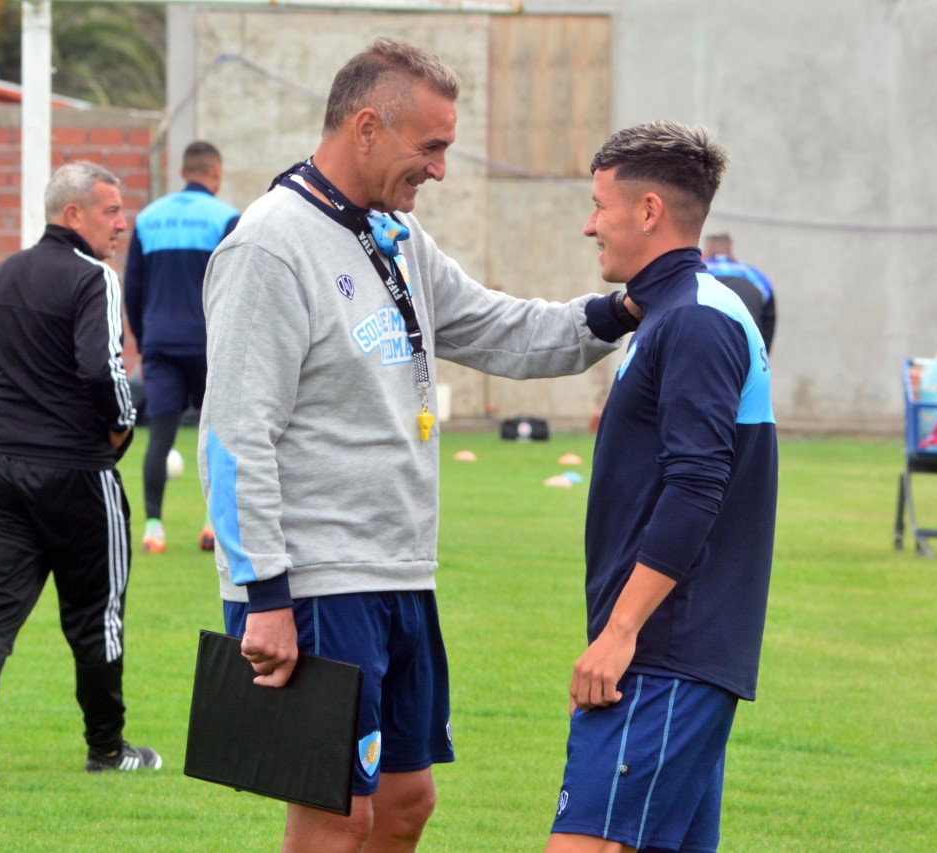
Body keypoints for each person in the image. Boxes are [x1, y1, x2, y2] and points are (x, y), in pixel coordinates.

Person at [198, 37, 636, 853]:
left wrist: (614, 313)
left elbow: (499, 326)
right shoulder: (270, 244)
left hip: (400, 571)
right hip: (316, 582)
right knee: (336, 813)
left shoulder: (394, 235)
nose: (439, 168)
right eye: (430, 147)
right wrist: (264, 594)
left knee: (406, 804)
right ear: (366, 127)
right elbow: (232, 433)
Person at [547, 123, 778, 853]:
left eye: (599, 205)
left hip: (662, 653)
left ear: (648, 211)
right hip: (674, 654)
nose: (590, 225)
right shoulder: (672, 310)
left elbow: (696, 484)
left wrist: (620, 632)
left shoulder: (697, 320)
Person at [0, 161, 161, 778]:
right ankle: (108, 750)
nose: (122, 224)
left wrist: (15, 424)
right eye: (111, 211)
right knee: (98, 617)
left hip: (3, 470)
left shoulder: (2, 274)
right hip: (78, 476)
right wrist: (120, 429)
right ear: (74, 215)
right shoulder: (96, 277)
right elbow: (102, 371)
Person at [124, 140, 239, 554]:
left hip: (160, 344)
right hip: (211, 345)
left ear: (182, 171)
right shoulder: (226, 218)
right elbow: (234, 286)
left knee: (160, 436)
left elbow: (132, 288)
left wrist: (144, 336)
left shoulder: (148, 219)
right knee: (219, 436)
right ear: (215, 172)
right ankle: (212, 525)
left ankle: (154, 527)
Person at [703, 232, 776, 354]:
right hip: (747, 345)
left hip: (708, 344)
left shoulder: (696, 270)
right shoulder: (757, 276)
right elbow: (769, 321)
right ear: (732, 253)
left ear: (704, 254)